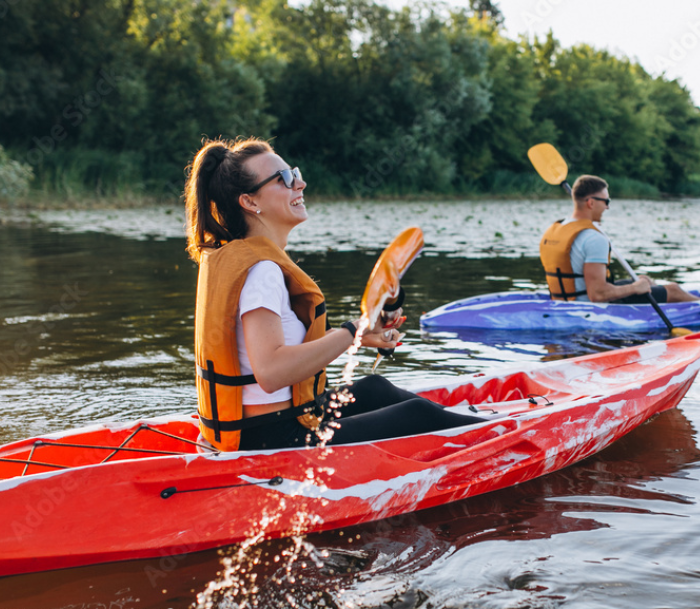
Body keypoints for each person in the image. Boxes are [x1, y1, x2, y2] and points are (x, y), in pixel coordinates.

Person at [184, 138, 482, 452]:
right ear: (249, 201)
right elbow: (270, 373)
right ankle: (504, 436)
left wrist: (361, 336)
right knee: (417, 414)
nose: (301, 183)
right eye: (285, 179)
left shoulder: (240, 259)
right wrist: (352, 331)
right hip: (272, 438)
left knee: (375, 388)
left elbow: (266, 349)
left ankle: (471, 425)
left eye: (295, 173)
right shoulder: (262, 271)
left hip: (265, 426)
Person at [540, 175, 700, 303]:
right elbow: (597, 295)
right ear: (590, 203)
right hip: (590, 307)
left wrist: (636, 283)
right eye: (606, 201)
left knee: (643, 281)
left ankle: (696, 299)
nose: (608, 207)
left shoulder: (555, 228)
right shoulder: (593, 238)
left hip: (566, 301)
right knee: (672, 289)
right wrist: (634, 288)